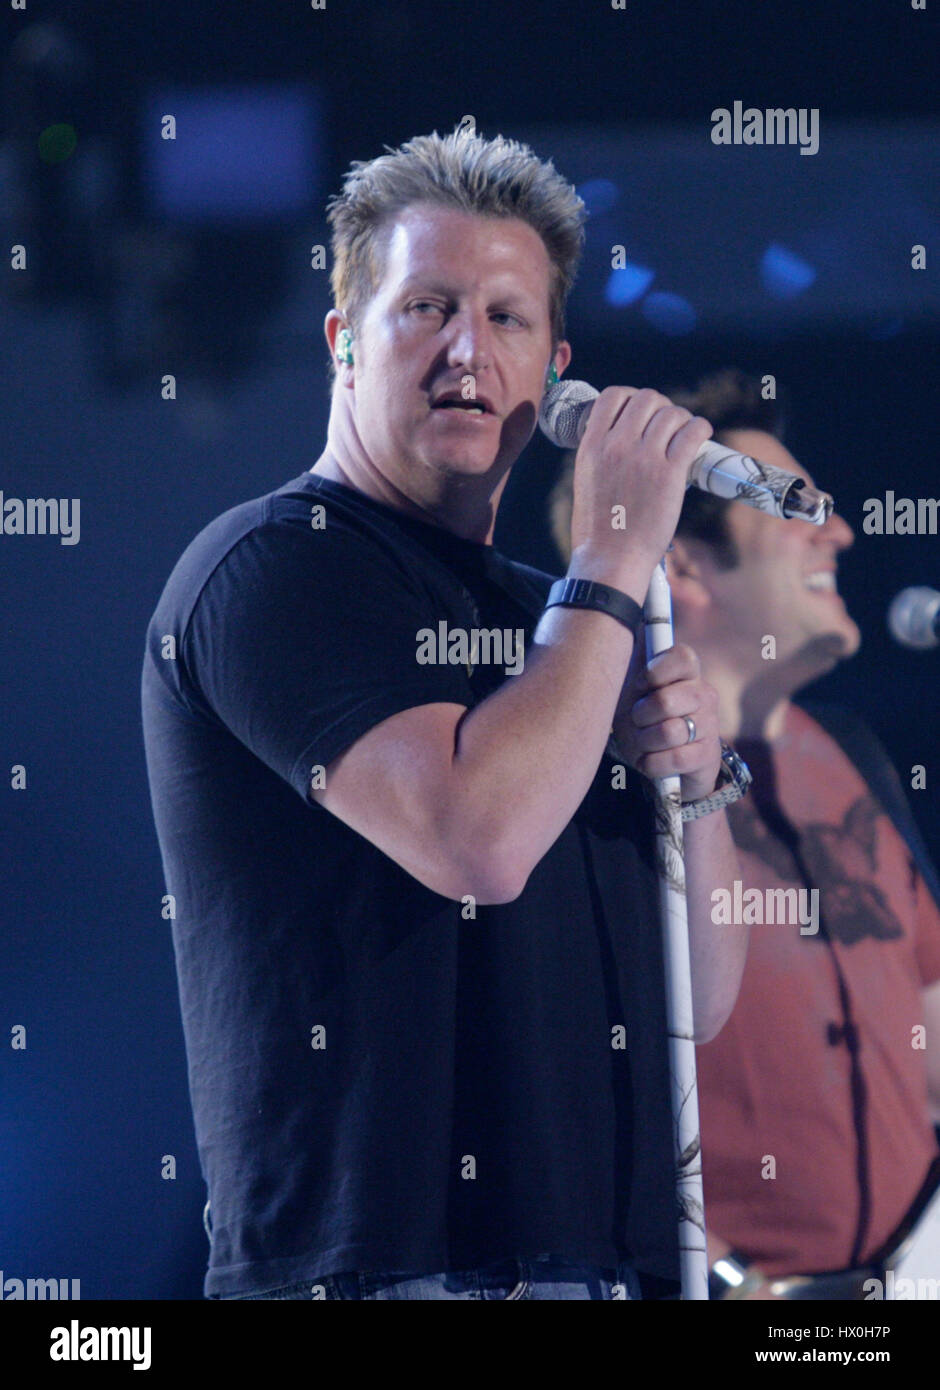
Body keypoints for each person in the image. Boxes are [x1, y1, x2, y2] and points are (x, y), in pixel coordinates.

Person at [141, 127, 749, 1302]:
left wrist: (702, 783)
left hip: (604, 1270)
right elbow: (477, 838)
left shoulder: (569, 624)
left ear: (555, 375)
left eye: (507, 318)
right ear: (342, 342)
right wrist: (617, 549)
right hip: (384, 1273)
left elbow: (703, 997)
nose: (468, 349)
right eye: (427, 307)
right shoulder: (272, 569)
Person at [551, 368, 940, 1298]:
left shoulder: (854, 756)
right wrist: (732, 1282)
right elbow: (558, 1098)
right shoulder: (591, 786)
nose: (840, 531)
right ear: (681, 563)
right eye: (798, 508)